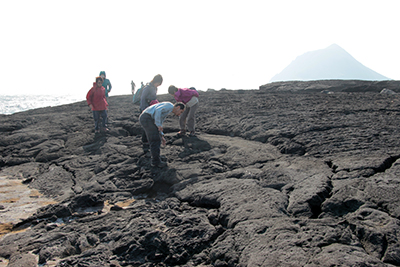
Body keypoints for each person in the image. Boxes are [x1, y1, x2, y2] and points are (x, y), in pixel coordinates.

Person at [139, 102, 185, 167]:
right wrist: (158, 125)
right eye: (181, 112)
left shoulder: (167, 109)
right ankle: (155, 162)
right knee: (155, 139)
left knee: (153, 137)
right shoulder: (169, 106)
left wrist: (161, 135)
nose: (179, 114)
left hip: (146, 118)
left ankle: (148, 151)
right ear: (178, 107)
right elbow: (158, 110)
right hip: (147, 118)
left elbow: (160, 122)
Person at [139, 74, 163, 143]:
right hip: (145, 108)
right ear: (156, 81)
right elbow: (143, 98)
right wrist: (144, 109)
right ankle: (145, 140)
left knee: (151, 123)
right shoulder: (148, 87)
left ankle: (148, 139)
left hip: (151, 108)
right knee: (146, 124)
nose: (158, 85)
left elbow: (153, 98)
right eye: (158, 83)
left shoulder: (154, 88)